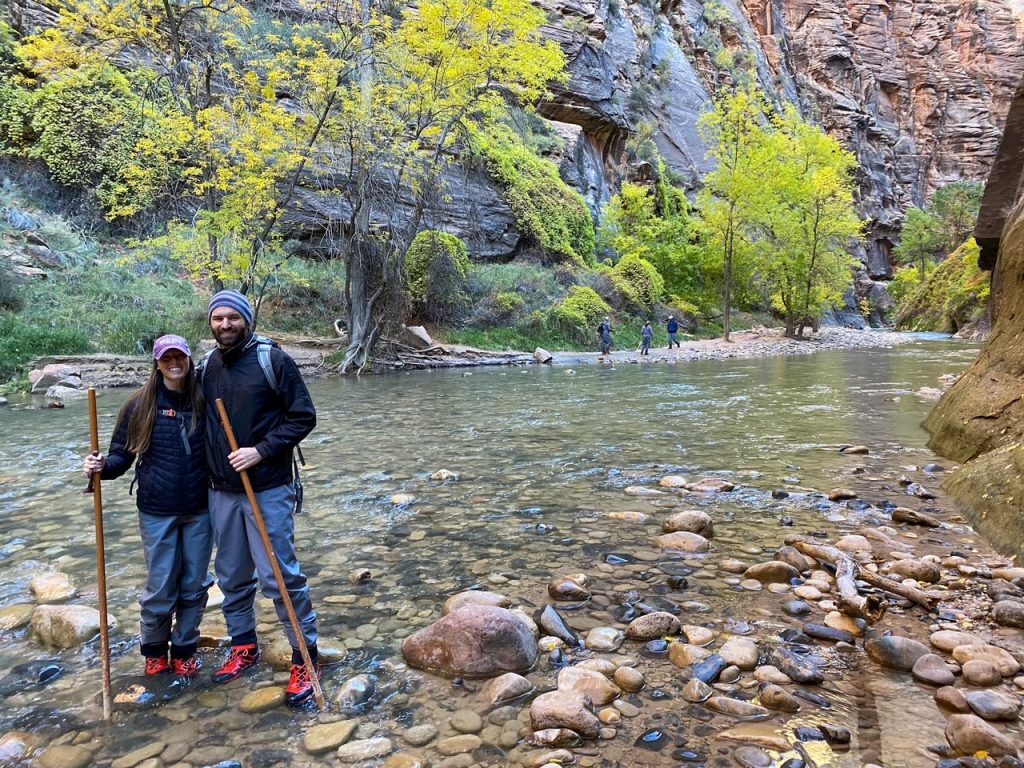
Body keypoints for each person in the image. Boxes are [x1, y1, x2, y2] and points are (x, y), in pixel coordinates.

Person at [201, 289, 320, 706]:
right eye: (218, 319)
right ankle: (244, 646)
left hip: (267, 486)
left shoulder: (274, 361)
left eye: (233, 318)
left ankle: (306, 656)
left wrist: (261, 449)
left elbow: (303, 417)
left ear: (247, 320)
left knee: (280, 577)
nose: (225, 325)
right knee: (232, 577)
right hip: (222, 491)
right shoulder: (208, 366)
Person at [83, 335, 212, 678]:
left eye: (179, 356)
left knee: (195, 584)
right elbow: (120, 457)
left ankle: (184, 649)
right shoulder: (139, 405)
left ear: (188, 359)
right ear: (156, 363)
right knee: (161, 585)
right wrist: (100, 468)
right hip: (157, 509)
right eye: (166, 357)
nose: (174, 363)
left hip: (201, 508)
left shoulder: (205, 399)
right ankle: (155, 652)